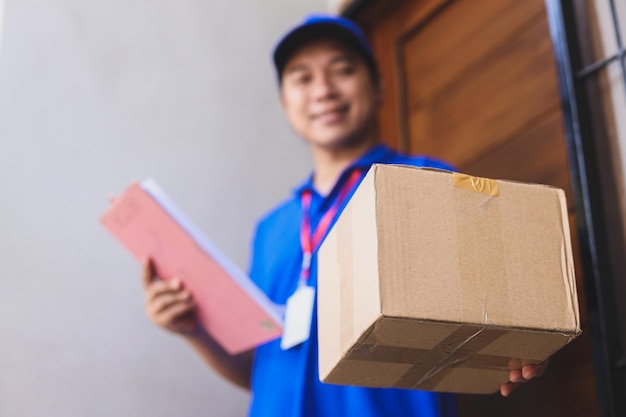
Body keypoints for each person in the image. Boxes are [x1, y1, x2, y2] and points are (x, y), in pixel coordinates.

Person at [141, 13, 547, 417]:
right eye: (302, 79)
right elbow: (261, 372)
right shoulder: (270, 229)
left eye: (342, 70)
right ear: (285, 103)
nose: (323, 90)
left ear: (378, 86)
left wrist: (518, 348)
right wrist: (192, 330)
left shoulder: (426, 180)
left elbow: (494, 316)